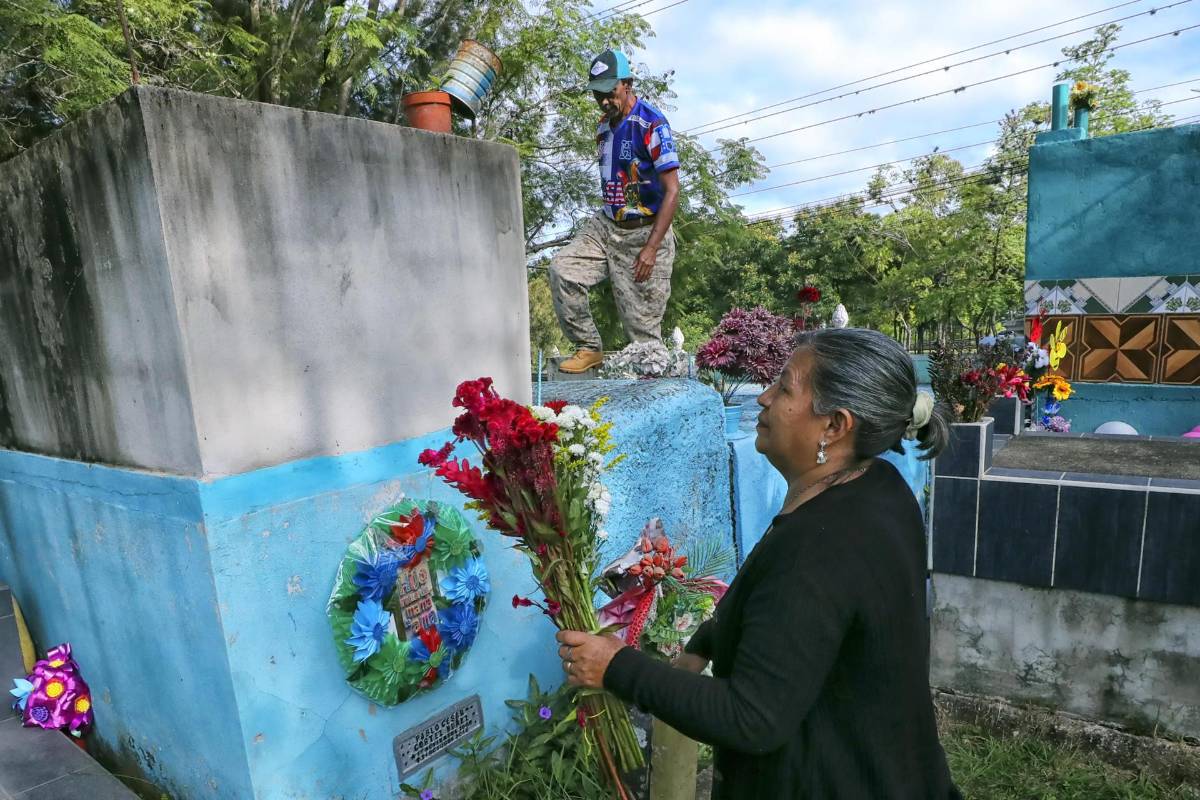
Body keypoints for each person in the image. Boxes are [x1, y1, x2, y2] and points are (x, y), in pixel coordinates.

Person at [557, 327, 964, 799]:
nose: (764, 398)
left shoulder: (821, 547)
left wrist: (616, 667)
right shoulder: (874, 488)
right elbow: (791, 605)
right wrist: (709, 639)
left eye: (785, 388)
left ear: (834, 426)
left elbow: (752, 719)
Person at [549, 50, 681, 374]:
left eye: (610, 92)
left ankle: (655, 395)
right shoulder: (603, 127)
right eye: (598, 94)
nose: (604, 101)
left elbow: (672, 191)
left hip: (644, 234)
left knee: (644, 340)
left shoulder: (651, 124)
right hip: (607, 224)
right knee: (563, 268)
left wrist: (650, 249)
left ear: (627, 84)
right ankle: (589, 347)